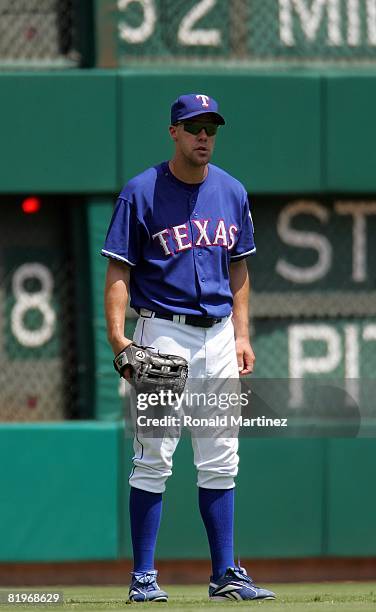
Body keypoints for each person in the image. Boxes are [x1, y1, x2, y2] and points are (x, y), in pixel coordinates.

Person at [102, 93, 276, 603]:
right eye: (193, 126)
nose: (204, 135)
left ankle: (225, 574)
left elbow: (239, 265)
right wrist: (119, 338)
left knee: (222, 456)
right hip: (163, 333)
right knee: (154, 456)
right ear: (173, 131)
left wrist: (242, 334)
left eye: (211, 127)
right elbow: (118, 269)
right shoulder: (141, 191)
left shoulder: (232, 191)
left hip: (219, 334)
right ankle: (143, 577)